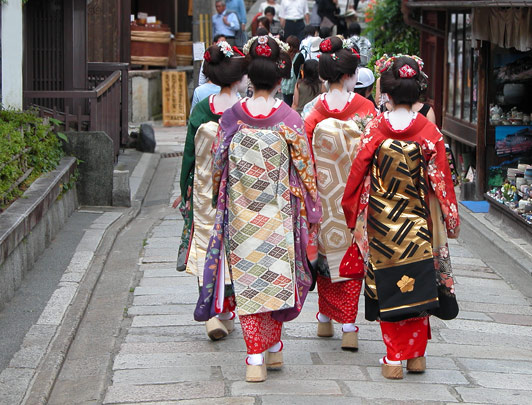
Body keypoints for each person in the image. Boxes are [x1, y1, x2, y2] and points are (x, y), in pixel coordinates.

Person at [195, 35, 321, 383]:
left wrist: (214, 198)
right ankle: (271, 349)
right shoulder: (290, 119)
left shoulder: (233, 117)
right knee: (277, 278)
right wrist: (312, 213)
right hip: (280, 213)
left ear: (248, 76)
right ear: (281, 79)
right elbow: (307, 172)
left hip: (240, 214)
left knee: (250, 280)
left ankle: (257, 356)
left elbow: (217, 164)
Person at [342, 55, 460, 380]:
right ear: (417, 93)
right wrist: (450, 220)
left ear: (388, 94)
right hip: (419, 222)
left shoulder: (375, 129)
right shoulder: (428, 131)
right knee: (420, 284)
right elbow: (443, 181)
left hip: (382, 223)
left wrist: (351, 214)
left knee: (389, 286)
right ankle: (417, 356)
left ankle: (394, 357)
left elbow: (356, 175)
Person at [302, 36, 375, 351]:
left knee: (325, 254)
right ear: (350, 75)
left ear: (323, 75)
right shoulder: (366, 108)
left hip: (322, 193)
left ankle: (323, 319)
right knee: (351, 253)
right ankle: (349, 325)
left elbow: (303, 156)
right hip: (356, 195)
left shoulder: (313, 111)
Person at [178, 42, 248, 341]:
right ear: (237, 79)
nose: (248, 80)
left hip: (205, 190)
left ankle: (214, 311)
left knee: (207, 246)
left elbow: (188, 156)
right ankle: (225, 311)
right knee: (235, 247)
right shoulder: (246, 111)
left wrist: (185, 191)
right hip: (238, 190)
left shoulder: (202, 111)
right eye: (244, 75)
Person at [281, 35, 304, 106]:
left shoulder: (284, 55)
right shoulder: (299, 56)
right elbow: (302, 71)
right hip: (295, 86)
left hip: (285, 86)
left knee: (286, 104)